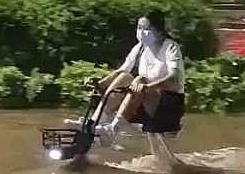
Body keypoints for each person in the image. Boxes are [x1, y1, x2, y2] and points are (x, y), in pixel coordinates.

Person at [65, 10, 185, 145]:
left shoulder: (170, 47)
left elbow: (173, 78)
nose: (142, 32)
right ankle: (93, 123)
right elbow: (122, 70)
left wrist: (147, 86)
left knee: (140, 79)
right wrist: (100, 83)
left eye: (147, 29)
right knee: (124, 77)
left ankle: (112, 130)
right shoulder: (139, 48)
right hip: (143, 100)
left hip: (169, 104)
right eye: (139, 28)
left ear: (160, 32)